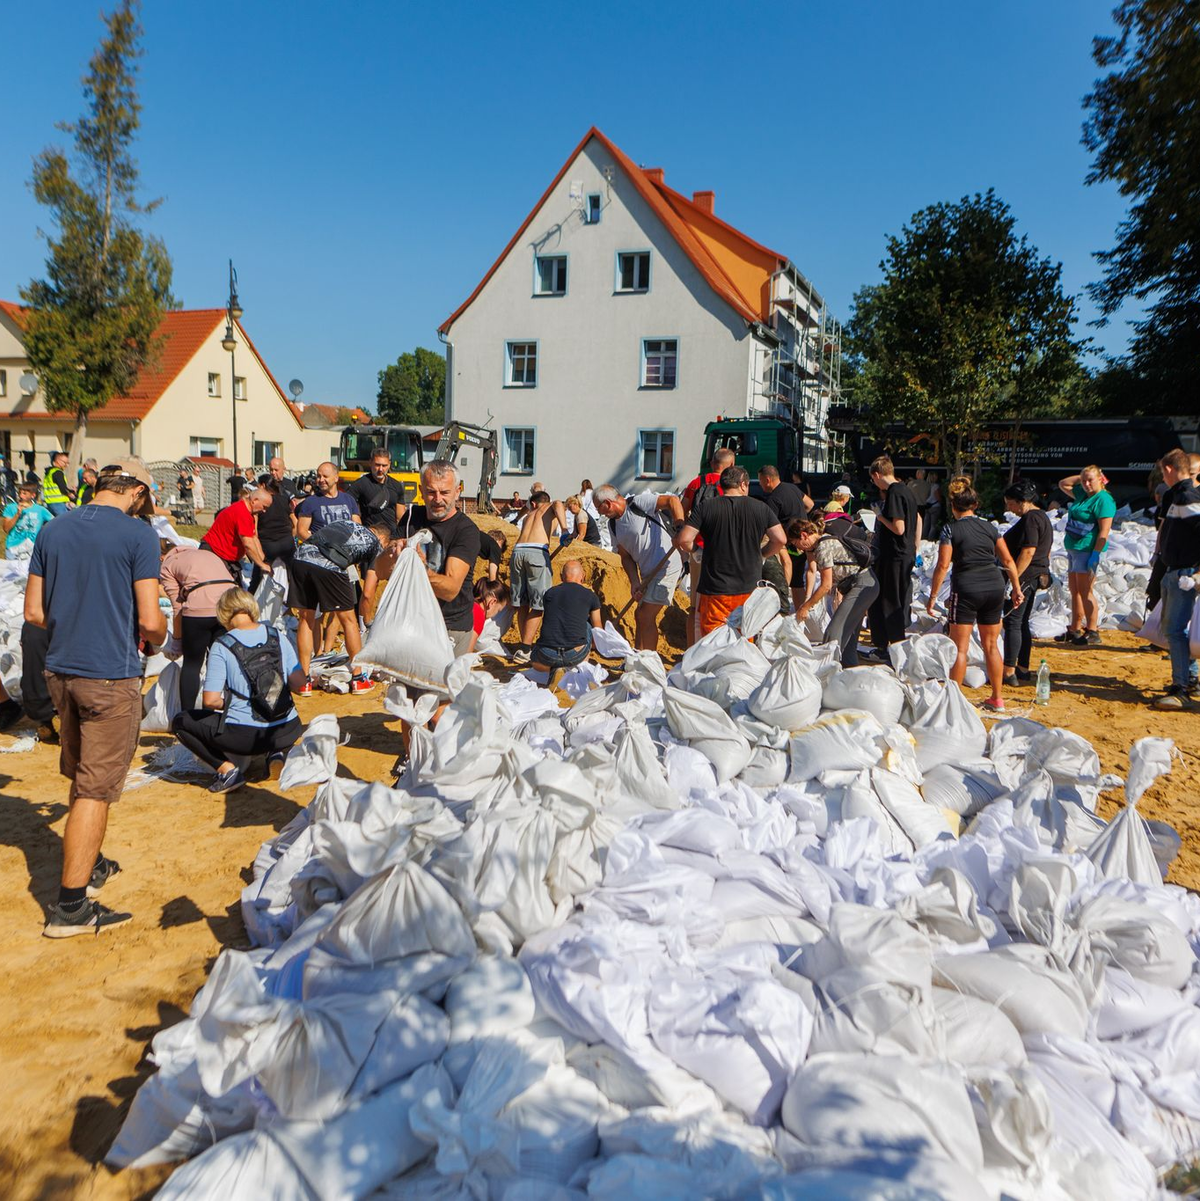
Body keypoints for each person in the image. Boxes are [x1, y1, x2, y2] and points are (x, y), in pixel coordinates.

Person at [23, 459, 166, 936]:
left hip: (60, 670)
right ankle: (70, 908)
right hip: (109, 674)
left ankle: (92, 862)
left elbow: (34, 612)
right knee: (95, 789)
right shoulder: (138, 534)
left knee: (82, 775)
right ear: (138, 493)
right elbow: (149, 621)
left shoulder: (54, 528)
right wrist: (162, 634)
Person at [171, 588, 305, 792]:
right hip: (288, 728)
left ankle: (228, 771)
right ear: (251, 608)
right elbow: (298, 682)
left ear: (223, 614)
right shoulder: (276, 635)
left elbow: (211, 701)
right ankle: (275, 753)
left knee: (181, 722)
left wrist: (233, 703)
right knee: (273, 706)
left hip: (245, 737)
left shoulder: (222, 645)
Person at [926, 485, 1024, 712]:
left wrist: (933, 596)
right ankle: (997, 699)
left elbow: (942, 565)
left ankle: (955, 701)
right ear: (976, 505)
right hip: (994, 586)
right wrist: (1017, 589)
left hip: (967, 588)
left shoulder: (950, 529)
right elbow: (1008, 561)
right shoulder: (990, 528)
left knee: (960, 648)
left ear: (953, 507)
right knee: (991, 645)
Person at [676, 465, 786, 636]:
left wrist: (698, 552)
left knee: (712, 640)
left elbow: (684, 539)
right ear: (743, 484)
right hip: (749, 587)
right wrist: (762, 554)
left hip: (714, 588)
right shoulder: (761, 508)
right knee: (744, 638)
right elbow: (780, 539)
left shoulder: (706, 507)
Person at [289, 519, 393, 691]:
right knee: (349, 621)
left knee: (306, 619)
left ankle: (304, 680)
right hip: (330, 564)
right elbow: (367, 593)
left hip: (301, 557)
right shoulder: (375, 543)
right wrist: (367, 623)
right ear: (383, 539)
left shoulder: (345, 523)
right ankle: (358, 678)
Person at [396, 460, 482, 655]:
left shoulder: (465, 530)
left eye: (444, 492)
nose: (437, 499)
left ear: (458, 491)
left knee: (439, 685)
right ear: (421, 490)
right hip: (411, 621)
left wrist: (421, 567)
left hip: (449, 626)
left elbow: (450, 590)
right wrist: (391, 552)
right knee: (407, 685)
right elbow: (382, 570)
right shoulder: (411, 518)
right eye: (431, 492)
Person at [594, 483, 684, 651]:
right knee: (639, 615)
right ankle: (638, 656)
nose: (599, 512)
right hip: (647, 573)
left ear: (607, 502)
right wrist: (635, 582)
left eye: (599, 508)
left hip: (667, 565)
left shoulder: (638, 504)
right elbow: (625, 557)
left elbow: (673, 501)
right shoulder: (613, 526)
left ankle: (648, 661)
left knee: (644, 615)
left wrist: (680, 528)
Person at [787, 518, 879, 666]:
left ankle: (826, 673)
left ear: (803, 535)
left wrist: (806, 607)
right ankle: (848, 671)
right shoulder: (823, 541)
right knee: (848, 637)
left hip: (862, 585)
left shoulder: (823, 547)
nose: (798, 548)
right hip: (864, 584)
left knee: (834, 633)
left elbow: (825, 585)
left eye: (795, 543)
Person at [1150, 448, 1200, 710]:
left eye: (1162, 471)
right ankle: (1186, 679)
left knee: (1175, 631)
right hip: (1174, 571)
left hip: (1183, 572)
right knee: (1173, 630)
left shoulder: (1187, 496)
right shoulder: (1179, 496)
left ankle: (1182, 687)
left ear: (1169, 469)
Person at [161, 542, 239, 710]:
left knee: (192, 665)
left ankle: (187, 718)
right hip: (230, 606)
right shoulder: (208, 554)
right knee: (223, 662)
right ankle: (227, 710)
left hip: (199, 610)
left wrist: (176, 640)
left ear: (162, 556)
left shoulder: (167, 565)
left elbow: (178, 608)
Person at [1056, 465, 1116, 646]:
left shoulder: (1103, 500)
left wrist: (1096, 554)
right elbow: (1063, 483)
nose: (1087, 484)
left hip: (1087, 549)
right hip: (1074, 547)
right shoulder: (1082, 494)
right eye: (1084, 481)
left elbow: (1104, 530)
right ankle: (1074, 628)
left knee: (1085, 591)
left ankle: (1092, 630)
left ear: (1100, 479)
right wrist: (1082, 476)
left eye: (1091, 480)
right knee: (1074, 591)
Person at [1000, 479, 1053, 685]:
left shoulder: (1031, 519)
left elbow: (1029, 550)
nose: (1009, 509)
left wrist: (1015, 581)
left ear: (1022, 501)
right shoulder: (1043, 517)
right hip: (1035, 576)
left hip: (1025, 577)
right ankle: (1022, 667)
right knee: (1022, 622)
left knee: (1012, 621)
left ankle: (1009, 671)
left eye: (1010, 503)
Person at [682, 448, 734, 644]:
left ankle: (691, 648)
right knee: (721, 602)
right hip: (724, 550)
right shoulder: (731, 486)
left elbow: (683, 509)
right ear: (731, 465)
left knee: (695, 604)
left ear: (712, 464)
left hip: (698, 549)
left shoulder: (696, 483)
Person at [866, 456, 918, 654]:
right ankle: (892, 645)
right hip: (905, 552)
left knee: (889, 600)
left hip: (895, 554)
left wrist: (879, 516)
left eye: (873, 479)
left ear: (877, 475)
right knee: (896, 598)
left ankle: (891, 646)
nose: (874, 483)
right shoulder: (906, 490)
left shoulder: (894, 493)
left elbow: (898, 528)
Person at [509, 490, 567, 658]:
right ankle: (526, 649)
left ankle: (523, 645)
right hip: (536, 552)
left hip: (517, 553)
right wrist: (564, 529)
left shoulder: (529, 516)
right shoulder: (548, 507)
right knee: (538, 604)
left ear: (533, 504)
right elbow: (558, 503)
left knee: (522, 602)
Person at [531, 559, 602, 673]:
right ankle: (580, 665)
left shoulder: (549, 593)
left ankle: (554, 668)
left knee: (535, 656)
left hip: (547, 655)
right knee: (587, 625)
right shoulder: (591, 596)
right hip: (574, 655)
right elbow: (598, 629)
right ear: (582, 577)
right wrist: (593, 646)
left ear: (561, 576)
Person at [200, 487, 273, 581]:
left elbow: (254, 538)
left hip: (227, 558)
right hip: (214, 554)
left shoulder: (248, 514)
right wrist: (262, 565)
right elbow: (248, 544)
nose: (264, 511)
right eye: (264, 507)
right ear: (255, 500)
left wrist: (264, 561)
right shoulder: (242, 513)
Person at [249, 475, 297, 593]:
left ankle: (250, 602)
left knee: (258, 577)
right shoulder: (284, 498)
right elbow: (295, 522)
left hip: (267, 545)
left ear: (263, 486)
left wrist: (258, 550)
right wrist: (291, 537)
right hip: (286, 542)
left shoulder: (260, 503)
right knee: (294, 577)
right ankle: (295, 605)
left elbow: (254, 530)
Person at [348, 449, 407, 536]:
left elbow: (400, 517)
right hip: (370, 536)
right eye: (377, 465)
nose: (380, 469)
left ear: (389, 464)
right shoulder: (360, 484)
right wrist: (360, 530)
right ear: (370, 463)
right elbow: (348, 506)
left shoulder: (396, 485)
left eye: (384, 465)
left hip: (392, 536)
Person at [296, 462, 361, 540]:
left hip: (346, 549)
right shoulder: (310, 502)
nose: (321, 480)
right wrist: (321, 544)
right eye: (319, 476)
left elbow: (358, 527)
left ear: (336, 478)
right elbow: (301, 532)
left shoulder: (349, 500)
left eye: (325, 476)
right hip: (322, 550)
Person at [2, 480, 54, 558]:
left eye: (24, 493)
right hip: (13, 548)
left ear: (33, 495)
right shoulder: (11, 508)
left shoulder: (40, 510)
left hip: (32, 549)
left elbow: (55, 522)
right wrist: (17, 514)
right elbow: (6, 529)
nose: (21, 496)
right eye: (20, 493)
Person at [470, 577, 512, 653]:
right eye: (499, 610)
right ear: (492, 602)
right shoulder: (479, 616)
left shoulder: (468, 605)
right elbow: (465, 655)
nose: (496, 613)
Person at [41, 450, 76, 515]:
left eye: (67, 463)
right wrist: (72, 493)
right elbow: (63, 489)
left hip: (50, 502)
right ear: (57, 461)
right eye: (64, 462)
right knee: (64, 521)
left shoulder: (49, 472)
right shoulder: (58, 472)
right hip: (58, 502)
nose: (66, 465)